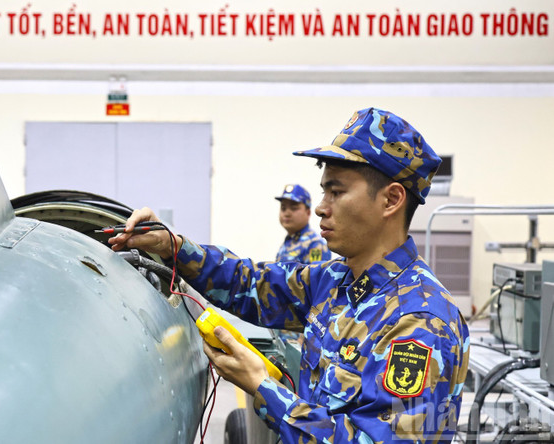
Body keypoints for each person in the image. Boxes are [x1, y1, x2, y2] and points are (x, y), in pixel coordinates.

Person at [110, 107, 470, 443]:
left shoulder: (420, 322)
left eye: (337, 191)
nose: (320, 207)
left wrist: (263, 386)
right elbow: (249, 282)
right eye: (323, 190)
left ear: (391, 200)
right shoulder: (334, 282)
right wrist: (173, 246)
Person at [274, 184, 331, 263]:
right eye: (283, 208)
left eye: (294, 208)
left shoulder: (315, 245)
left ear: (308, 212)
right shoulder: (288, 241)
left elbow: (316, 274)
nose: (287, 214)